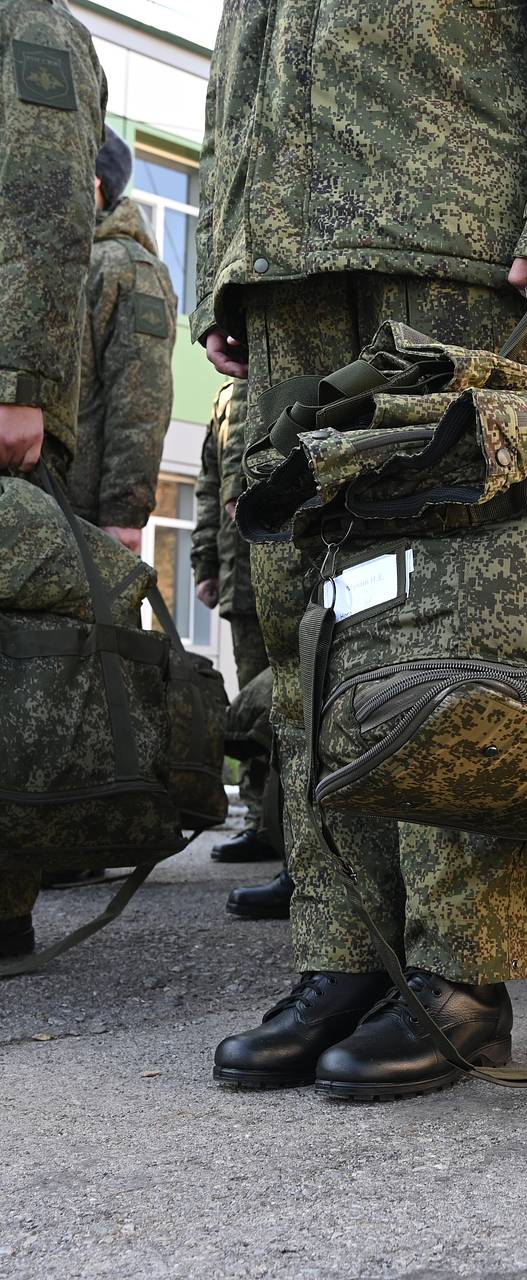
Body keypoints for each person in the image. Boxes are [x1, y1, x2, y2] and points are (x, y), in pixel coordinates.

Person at [198, 0, 527, 1098]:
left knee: (448, 612)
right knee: (305, 608)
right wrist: (230, 252)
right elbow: (242, 61)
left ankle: (460, 967)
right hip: (290, 263)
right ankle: (344, 952)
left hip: (453, 245)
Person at [0, 0, 106, 961]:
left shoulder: (29, 21)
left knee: (12, 662)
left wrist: (19, 381)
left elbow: (40, 198)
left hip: (2, 402)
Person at [65, 127, 176, 553]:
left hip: (82, 516)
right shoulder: (60, 258)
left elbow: (141, 397)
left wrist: (123, 514)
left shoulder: (127, 267)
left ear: (94, 182)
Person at [192, 378, 282, 874]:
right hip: (241, 572)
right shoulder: (226, 394)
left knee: (292, 696)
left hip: (290, 560)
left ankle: (290, 819)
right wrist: (204, 562)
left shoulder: (282, 369)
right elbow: (208, 485)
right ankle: (259, 820)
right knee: (252, 697)